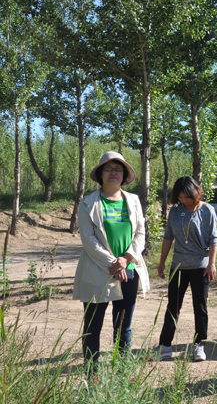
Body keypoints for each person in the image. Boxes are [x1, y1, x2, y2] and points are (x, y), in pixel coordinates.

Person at [73, 151, 150, 364]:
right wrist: (114, 264)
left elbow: (140, 233)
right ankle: (91, 371)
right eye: (108, 169)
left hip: (129, 271)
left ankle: (122, 370)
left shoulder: (133, 200)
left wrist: (126, 259)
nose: (113, 173)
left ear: (124, 174)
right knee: (93, 327)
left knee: (123, 325)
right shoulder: (88, 202)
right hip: (97, 271)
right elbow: (88, 239)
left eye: (118, 169)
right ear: (101, 174)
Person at [153, 176, 217, 362]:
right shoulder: (174, 211)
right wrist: (162, 261)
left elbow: (214, 239)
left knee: (200, 307)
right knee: (172, 307)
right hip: (178, 267)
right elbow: (168, 237)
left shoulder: (207, 210)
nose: (184, 200)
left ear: (196, 192)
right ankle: (165, 346)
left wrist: (211, 264)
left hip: (201, 267)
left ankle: (199, 345)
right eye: (180, 197)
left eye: (187, 197)